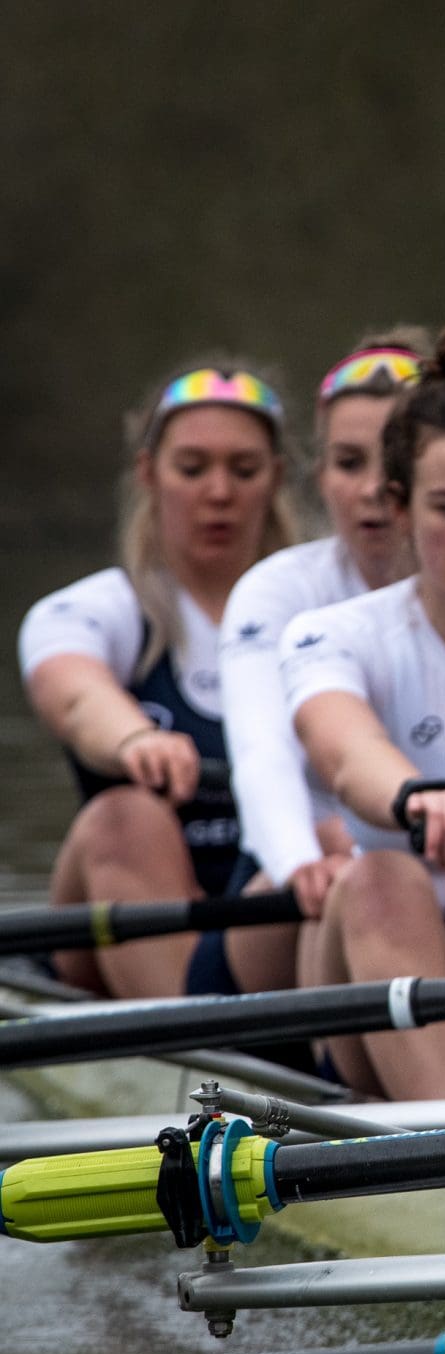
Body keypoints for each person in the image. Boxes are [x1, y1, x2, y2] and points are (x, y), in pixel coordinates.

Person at [213, 333, 445, 1002]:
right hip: (355, 903)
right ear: (402, 500)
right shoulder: (312, 619)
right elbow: (317, 754)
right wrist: (389, 813)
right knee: (376, 882)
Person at [18, 362, 300, 996]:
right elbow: (72, 689)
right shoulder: (103, 609)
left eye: (245, 471)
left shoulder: (319, 617)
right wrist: (133, 741)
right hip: (135, 914)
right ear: (149, 473)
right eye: (193, 469)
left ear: (276, 479)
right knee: (123, 817)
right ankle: (204, 1059)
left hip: (275, 918)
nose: (220, 493)